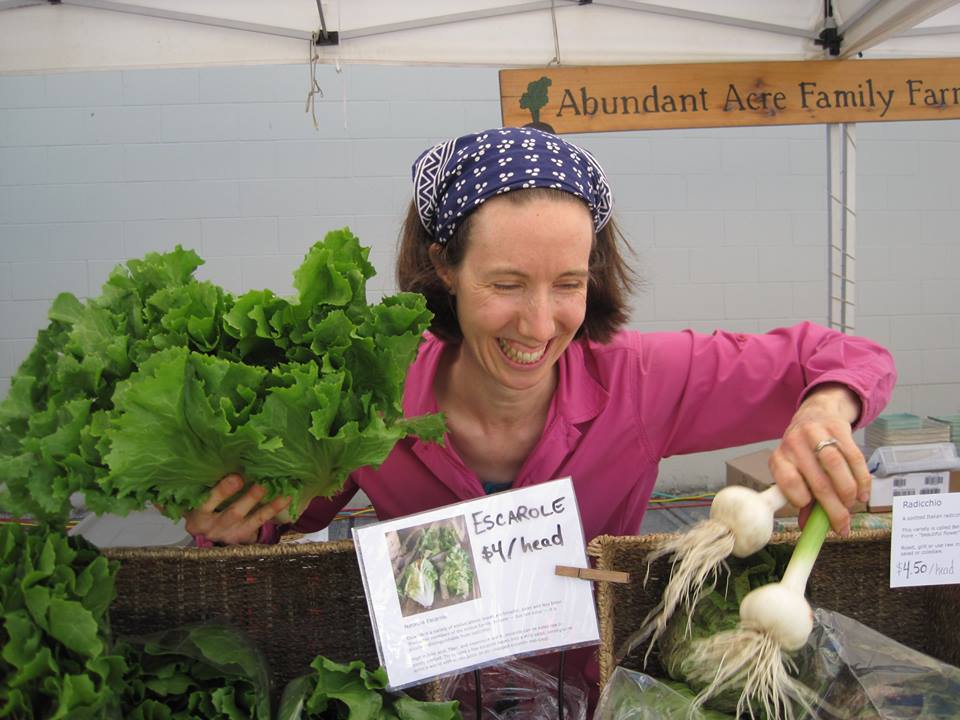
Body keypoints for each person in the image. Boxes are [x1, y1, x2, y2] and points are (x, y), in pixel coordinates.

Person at [184, 125, 896, 694]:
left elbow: (842, 353)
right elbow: (276, 526)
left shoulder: (643, 379)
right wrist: (236, 524)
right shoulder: (373, 395)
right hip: (425, 696)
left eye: (567, 283)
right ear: (444, 267)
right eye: (506, 282)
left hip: (587, 693)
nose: (538, 322)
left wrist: (824, 411)